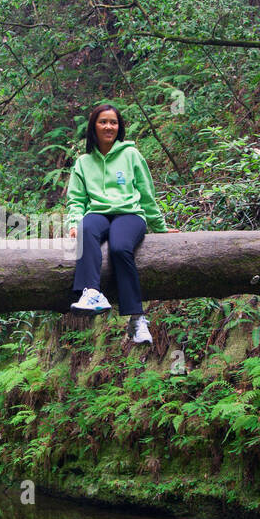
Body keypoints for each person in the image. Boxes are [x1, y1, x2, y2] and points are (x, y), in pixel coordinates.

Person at [65, 104, 167, 345]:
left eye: (113, 122)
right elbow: (76, 199)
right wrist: (73, 223)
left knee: (120, 247)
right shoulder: (83, 162)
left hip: (130, 214)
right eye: (103, 122)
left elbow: (146, 193)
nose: (108, 126)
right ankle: (91, 293)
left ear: (119, 127)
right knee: (86, 228)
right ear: (94, 127)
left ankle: (137, 319)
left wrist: (160, 227)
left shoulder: (131, 155)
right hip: (98, 213)